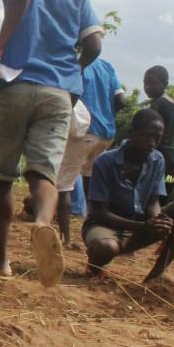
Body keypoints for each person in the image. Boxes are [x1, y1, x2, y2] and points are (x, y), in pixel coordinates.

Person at [0, 0, 104, 286]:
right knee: (43, 174)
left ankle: (1, 262)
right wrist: (70, 72)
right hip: (58, 93)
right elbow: (94, 45)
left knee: (3, 178)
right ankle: (41, 224)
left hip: (16, 85)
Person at [83, 108, 174, 282]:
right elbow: (99, 213)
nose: (152, 143)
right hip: (106, 227)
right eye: (147, 136)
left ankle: (154, 277)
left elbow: (153, 201)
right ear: (133, 133)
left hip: (139, 226)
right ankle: (94, 266)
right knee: (104, 248)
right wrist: (142, 227)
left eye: (157, 138)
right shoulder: (105, 162)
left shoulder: (157, 160)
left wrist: (159, 220)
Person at [54, 54, 127, 244]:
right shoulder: (107, 66)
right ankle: (93, 232)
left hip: (83, 131)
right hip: (106, 134)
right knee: (91, 185)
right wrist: (106, 114)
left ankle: (65, 239)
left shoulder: (75, 63)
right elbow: (121, 100)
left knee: (64, 186)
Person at [144, 65, 174, 204]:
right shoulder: (173, 104)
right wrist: (169, 138)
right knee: (169, 183)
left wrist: (159, 141)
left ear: (165, 84)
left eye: (152, 83)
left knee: (154, 186)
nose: (147, 87)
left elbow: (151, 131)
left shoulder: (156, 104)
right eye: (145, 83)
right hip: (171, 156)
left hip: (157, 154)